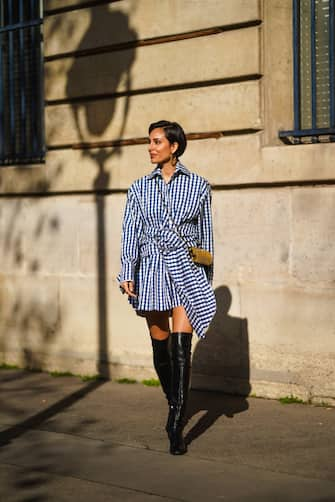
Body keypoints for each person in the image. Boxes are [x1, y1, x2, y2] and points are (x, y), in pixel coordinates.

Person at [118, 120, 216, 455]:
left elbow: (206, 238)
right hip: (152, 270)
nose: (150, 147)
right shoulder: (138, 189)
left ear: (174, 146)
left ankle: (176, 423)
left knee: (180, 345)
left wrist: (206, 279)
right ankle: (174, 398)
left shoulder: (199, 186)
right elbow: (130, 233)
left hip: (186, 270)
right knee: (160, 347)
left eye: (157, 141)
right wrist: (126, 272)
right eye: (149, 141)